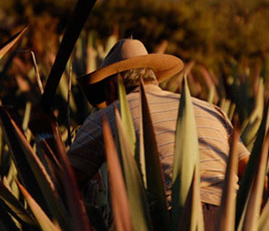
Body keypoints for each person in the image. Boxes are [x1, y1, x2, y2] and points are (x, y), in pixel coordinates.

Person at [68, 39, 250, 226]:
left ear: (112, 87)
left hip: (169, 218)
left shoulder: (107, 116)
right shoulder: (211, 110)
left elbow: (65, 180)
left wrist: (45, 134)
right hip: (232, 217)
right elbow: (251, 171)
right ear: (153, 78)